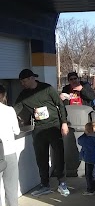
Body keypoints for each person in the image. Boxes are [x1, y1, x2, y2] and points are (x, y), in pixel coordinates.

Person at [14, 69, 70, 197]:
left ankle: (62, 182)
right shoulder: (24, 95)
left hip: (54, 126)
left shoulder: (47, 89)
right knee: (41, 157)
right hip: (39, 129)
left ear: (32, 78)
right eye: (21, 82)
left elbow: (60, 105)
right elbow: (14, 110)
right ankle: (45, 184)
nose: (23, 84)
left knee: (59, 154)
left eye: (24, 81)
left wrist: (64, 122)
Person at [0, 85, 21, 206]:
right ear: (3, 95)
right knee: (11, 185)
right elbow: (17, 131)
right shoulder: (9, 110)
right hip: (9, 152)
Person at [77, 121, 95, 195]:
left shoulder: (87, 139)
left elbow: (79, 141)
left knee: (89, 175)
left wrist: (84, 134)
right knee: (94, 174)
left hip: (89, 159)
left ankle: (90, 189)